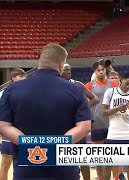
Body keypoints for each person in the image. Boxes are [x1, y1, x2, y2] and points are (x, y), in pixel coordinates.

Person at [0, 43, 92, 179]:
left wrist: (29, 143)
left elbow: (3, 126)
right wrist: (57, 144)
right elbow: (85, 127)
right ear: (62, 65)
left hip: (26, 167)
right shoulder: (75, 89)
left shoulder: (12, 89)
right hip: (64, 168)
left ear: (40, 61)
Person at [61, 63, 99, 180]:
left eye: (70, 69)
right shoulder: (55, 85)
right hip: (62, 126)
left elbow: (95, 99)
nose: (69, 71)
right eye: (66, 70)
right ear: (60, 70)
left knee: (83, 158)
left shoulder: (77, 84)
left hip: (77, 126)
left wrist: (81, 109)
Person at [102, 72, 129, 180]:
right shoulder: (110, 92)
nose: (128, 87)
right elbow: (104, 112)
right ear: (121, 80)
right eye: (127, 84)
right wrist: (117, 108)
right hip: (113, 134)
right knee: (108, 164)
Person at [85, 60, 119, 180]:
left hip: (113, 124)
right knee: (99, 155)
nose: (100, 72)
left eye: (102, 69)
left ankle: (115, 177)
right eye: (98, 70)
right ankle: (100, 177)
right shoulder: (89, 85)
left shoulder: (114, 84)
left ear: (106, 70)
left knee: (113, 154)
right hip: (97, 123)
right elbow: (84, 104)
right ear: (95, 72)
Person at [0, 68, 26, 180]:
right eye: (21, 76)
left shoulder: (26, 91)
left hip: (23, 130)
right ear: (14, 77)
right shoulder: (3, 93)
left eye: (25, 76)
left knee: (21, 164)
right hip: (8, 131)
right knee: (6, 164)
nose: (24, 78)